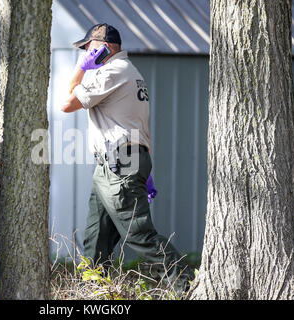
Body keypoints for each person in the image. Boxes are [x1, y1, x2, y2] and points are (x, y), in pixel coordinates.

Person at [61, 23, 193, 294]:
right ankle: (93, 293)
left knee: (138, 234)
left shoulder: (111, 71)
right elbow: (133, 121)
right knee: (96, 238)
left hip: (119, 165)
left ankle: (187, 287)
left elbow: (66, 103)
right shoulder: (130, 72)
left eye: (88, 48)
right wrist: (143, 165)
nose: (85, 52)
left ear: (103, 49)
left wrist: (83, 68)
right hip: (119, 163)